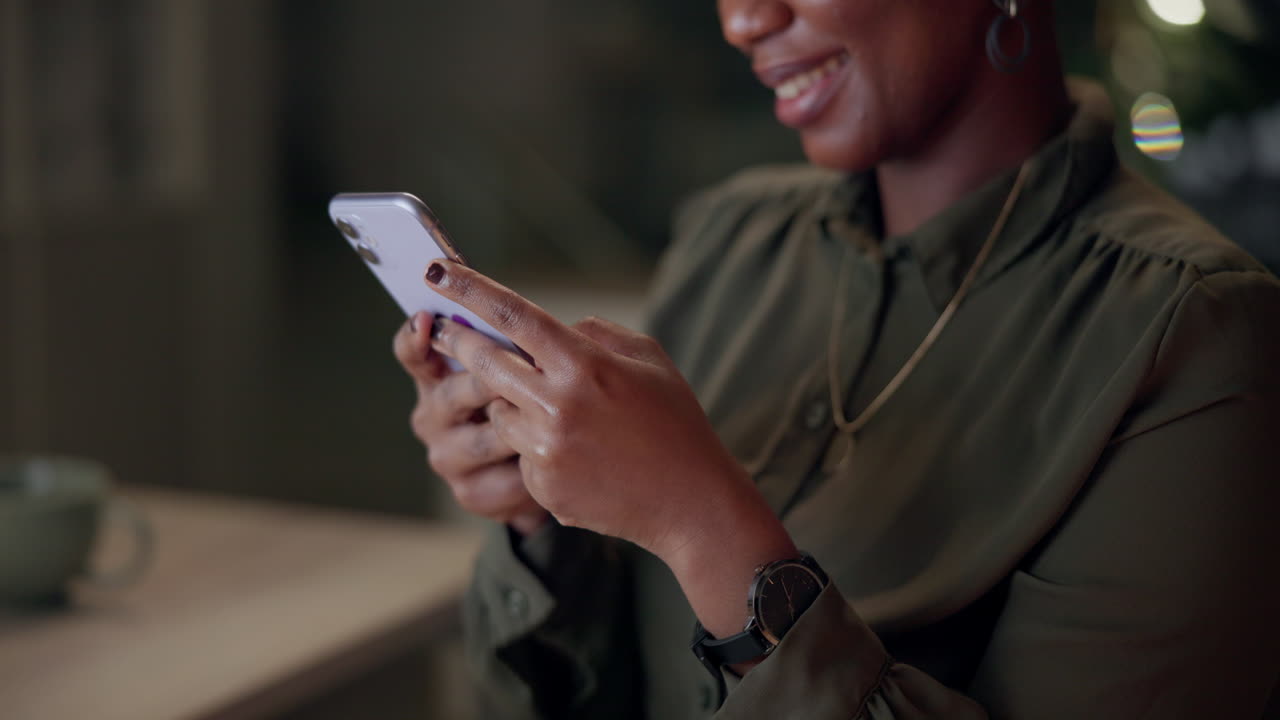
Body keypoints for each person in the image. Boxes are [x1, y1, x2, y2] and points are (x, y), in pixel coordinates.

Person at [392, 1, 1280, 717]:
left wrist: (701, 523)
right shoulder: (729, 240)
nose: (742, 20)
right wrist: (541, 522)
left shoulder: (1194, 329)